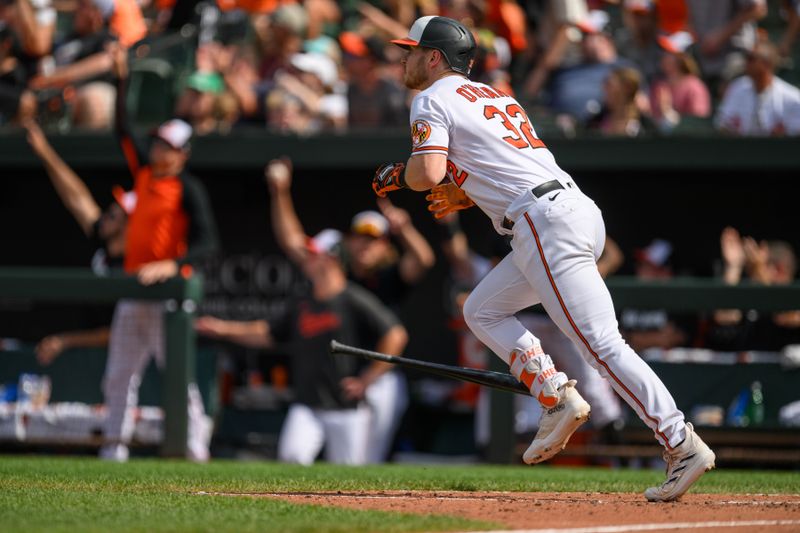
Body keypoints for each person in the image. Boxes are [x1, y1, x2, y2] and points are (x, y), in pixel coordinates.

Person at [372, 15, 715, 502]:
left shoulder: (429, 96)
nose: (402, 57)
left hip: (544, 224)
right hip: (569, 212)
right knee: (482, 309)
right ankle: (555, 396)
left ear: (434, 57)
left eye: (410, 49)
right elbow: (509, 165)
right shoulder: (495, 94)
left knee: (603, 347)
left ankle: (680, 443)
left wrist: (395, 174)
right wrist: (465, 194)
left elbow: (426, 171)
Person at [98, 44, 220, 462]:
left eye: (168, 146)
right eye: (159, 144)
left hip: (167, 292)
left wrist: (173, 264)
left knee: (178, 379)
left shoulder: (189, 188)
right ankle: (113, 450)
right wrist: (121, 79)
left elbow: (208, 245)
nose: (158, 151)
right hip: (135, 288)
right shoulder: (145, 174)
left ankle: (195, 450)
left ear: (183, 153)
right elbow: (121, 130)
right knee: (118, 376)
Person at [197, 227, 408, 465]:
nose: (307, 259)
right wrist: (221, 328)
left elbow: (396, 334)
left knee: (353, 475)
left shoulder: (353, 299)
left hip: (345, 407)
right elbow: (268, 333)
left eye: (314, 254)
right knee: (292, 456)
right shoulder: (303, 302)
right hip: (307, 404)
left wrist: (367, 379)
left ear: (332, 258)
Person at [265, 158, 426, 463]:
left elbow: (422, 261)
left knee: (370, 458)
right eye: (360, 237)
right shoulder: (337, 272)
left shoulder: (390, 274)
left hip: (379, 372)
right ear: (349, 240)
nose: (365, 245)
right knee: (349, 460)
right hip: (343, 374)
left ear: (384, 245)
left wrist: (405, 230)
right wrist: (280, 192)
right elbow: (292, 242)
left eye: (373, 239)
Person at [715, 40, 800, 136]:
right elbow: (722, 124)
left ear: (766, 64)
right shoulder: (738, 87)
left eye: (751, 59)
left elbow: (795, 137)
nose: (746, 63)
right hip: (741, 149)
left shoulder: (792, 97)